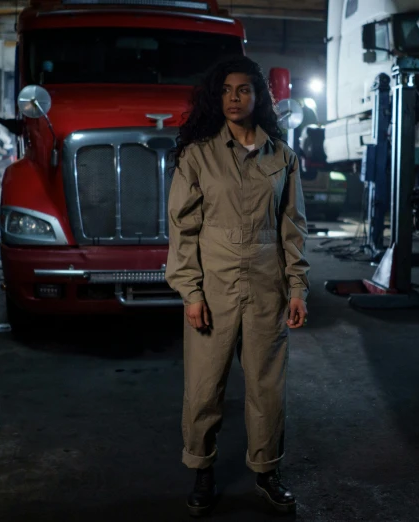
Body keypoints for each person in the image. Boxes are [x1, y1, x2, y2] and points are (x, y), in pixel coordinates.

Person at [166, 56, 310, 517]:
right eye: (227, 90)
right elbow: (182, 228)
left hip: (267, 288)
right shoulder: (198, 155)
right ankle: (202, 472)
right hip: (215, 288)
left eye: (244, 90)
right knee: (205, 388)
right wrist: (191, 292)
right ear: (217, 96)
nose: (234, 98)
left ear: (258, 97)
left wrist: (298, 289)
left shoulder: (282, 157)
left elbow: (293, 228)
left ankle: (267, 474)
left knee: (267, 388)